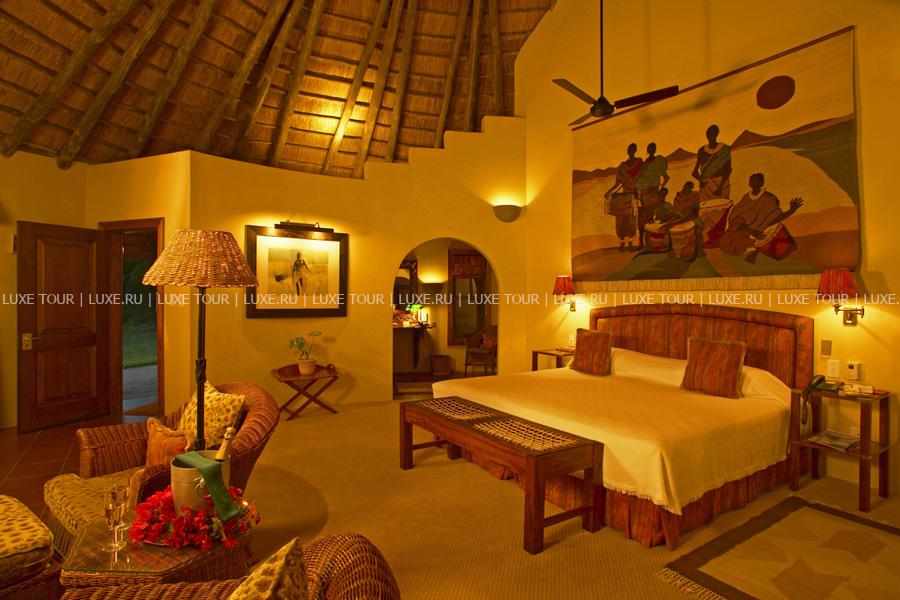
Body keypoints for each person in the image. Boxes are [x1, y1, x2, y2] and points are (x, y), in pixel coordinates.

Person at [722, 172, 803, 262]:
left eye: (757, 181)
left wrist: (791, 211)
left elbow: (773, 217)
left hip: (761, 229)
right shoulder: (746, 197)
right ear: (749, 183)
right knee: (728, 243)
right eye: (752, 181)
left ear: (761, 183)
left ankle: (757, 252)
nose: (754, 183)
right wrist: (751, 230)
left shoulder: (769, 198)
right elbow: (737, 216)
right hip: (744, 230)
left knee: (777, 235)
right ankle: (755, 250)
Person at [604, 143, 642, 250]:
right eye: (630, 150)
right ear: (628, 151)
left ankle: (630, 242)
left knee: (631, 220)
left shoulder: (639, 163)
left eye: (633, 150)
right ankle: (621, 242)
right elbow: (617, 184)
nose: (631, 152)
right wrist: (609, 192)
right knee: (620, 220)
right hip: (624, 197)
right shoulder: (622, 167)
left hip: (633, 196)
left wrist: (638, 192)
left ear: (635, 150)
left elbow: (641, 179)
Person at [634, 142, 669, 249]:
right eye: (650, 148)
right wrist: (637, 191)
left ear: (655, 149)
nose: (651, 150)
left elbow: (666, 177)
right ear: (648, 150)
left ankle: (651, 243)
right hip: (643, 195)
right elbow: (640, 179)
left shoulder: (659, 162)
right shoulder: (644, 164)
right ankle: (641, 244)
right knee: (641, 220)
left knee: (650, 219)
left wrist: (660, 189)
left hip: (653, 194)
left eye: (653, 148)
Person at [692, 124, 731, 202]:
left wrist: (720, 187)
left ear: (717, 134)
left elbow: (728, 169)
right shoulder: (702, 150)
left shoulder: (724, 149)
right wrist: (701, 181)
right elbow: (694, 172)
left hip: (722, 184)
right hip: (706, 187)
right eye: (710, 134)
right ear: (707, 136)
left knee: (722, 206)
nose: (712, 136)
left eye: (714, 134)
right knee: (706, 207)